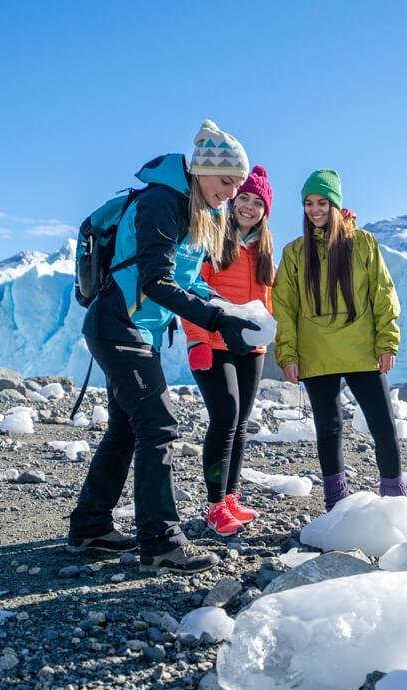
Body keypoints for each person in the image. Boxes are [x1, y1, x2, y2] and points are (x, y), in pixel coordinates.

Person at [67, 120, 258, 575]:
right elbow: (155, 281)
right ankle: (162, 542)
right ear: (200, 171)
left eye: (238, 185)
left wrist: (230, 311)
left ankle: (90, 527)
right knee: (158, 426)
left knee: (127, 429)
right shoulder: (161, 202)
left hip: (139, 331)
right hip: (119, 327)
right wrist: (213, 319)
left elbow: (188, 281)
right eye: (226, 181)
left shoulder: (199, 211)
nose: (231, 193)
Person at [271, 169, 406, 511]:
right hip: (316, 355)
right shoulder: (294, 253)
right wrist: (287, 354)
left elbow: (382, 294)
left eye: (322, 202)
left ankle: (394, 501)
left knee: (383, 427)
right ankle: (336, 504)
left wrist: (387, 342)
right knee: (328, 430)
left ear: (336, 204)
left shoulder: (362, 243)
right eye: (308, 203)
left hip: (363, 351)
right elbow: (284, 307)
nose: (314, 209)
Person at [180, 165, 276, 537]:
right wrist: (197, 340)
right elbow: (189, 290)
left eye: (258, 202)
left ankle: (231, 496)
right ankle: (215, 504)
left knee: (240, 424)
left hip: (250, 347)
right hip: (214, 341)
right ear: (233, 199)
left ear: (265, 211)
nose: (249, 207)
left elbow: (267, 301)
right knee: (225, 417)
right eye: (244, 198)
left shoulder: (263, 251)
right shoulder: (211, 237)